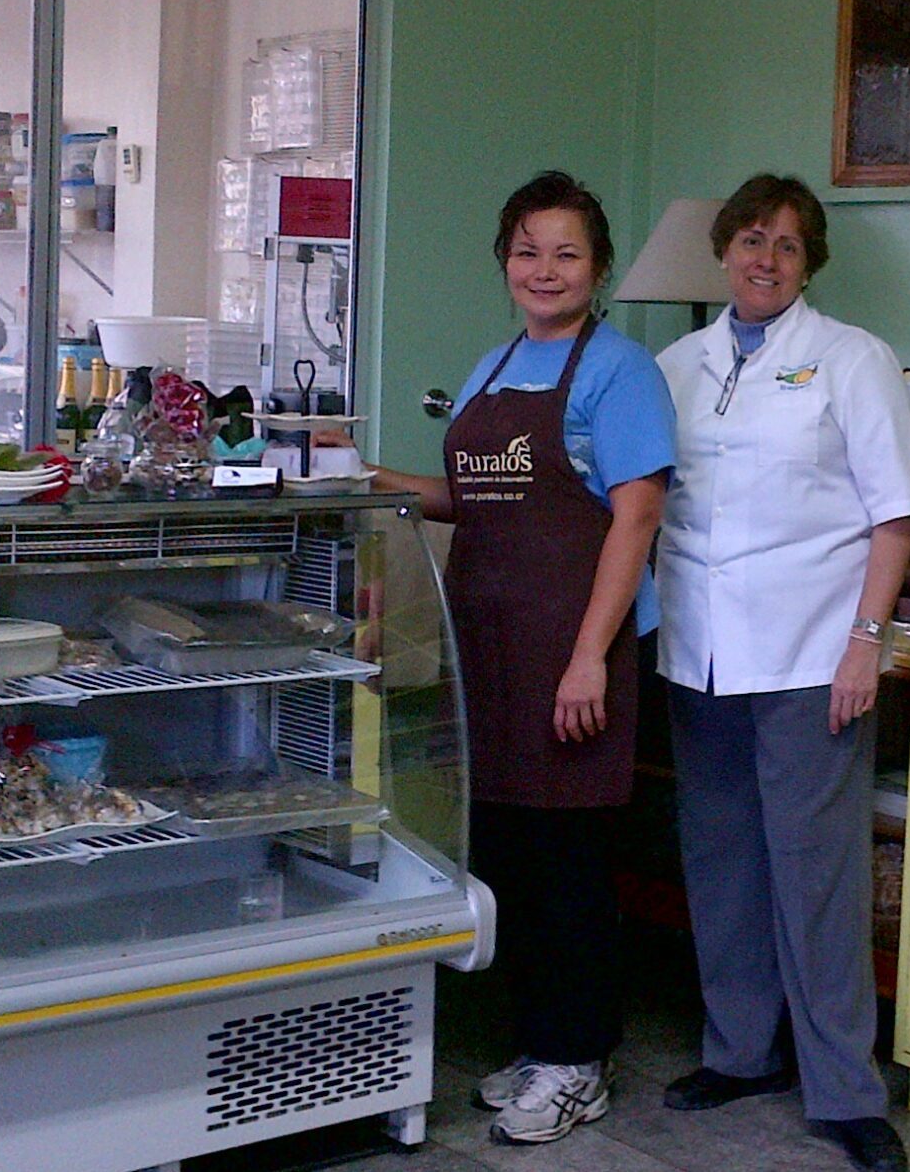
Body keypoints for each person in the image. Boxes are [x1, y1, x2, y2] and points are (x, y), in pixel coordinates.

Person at [370, 171, 674, 1147]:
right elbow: (467, 497)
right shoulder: (491, 367)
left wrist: (591, 655)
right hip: (490, 648)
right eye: (527, 250)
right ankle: (543, 1046)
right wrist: (364, 476)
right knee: (508, 849)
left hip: (571, 645)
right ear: (504, 262)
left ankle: (579, 1059)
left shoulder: (621, 371)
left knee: (571, 857)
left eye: (567, 251)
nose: (544, 269)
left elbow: (638, 514)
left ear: (600, 266)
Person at [653, 173, 910, 1172]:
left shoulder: (851, 359)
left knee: (817, 873)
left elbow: (894, 512)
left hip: (814, 650)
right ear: (723, 250)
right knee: (721, 860)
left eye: (785, 244)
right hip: (699, 652)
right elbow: (650, 506)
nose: (764, 258)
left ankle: (846, 1092)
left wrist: (867, 638)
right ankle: (739, 1052)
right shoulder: (675, 364)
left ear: (807, 261)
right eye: (750, 240)